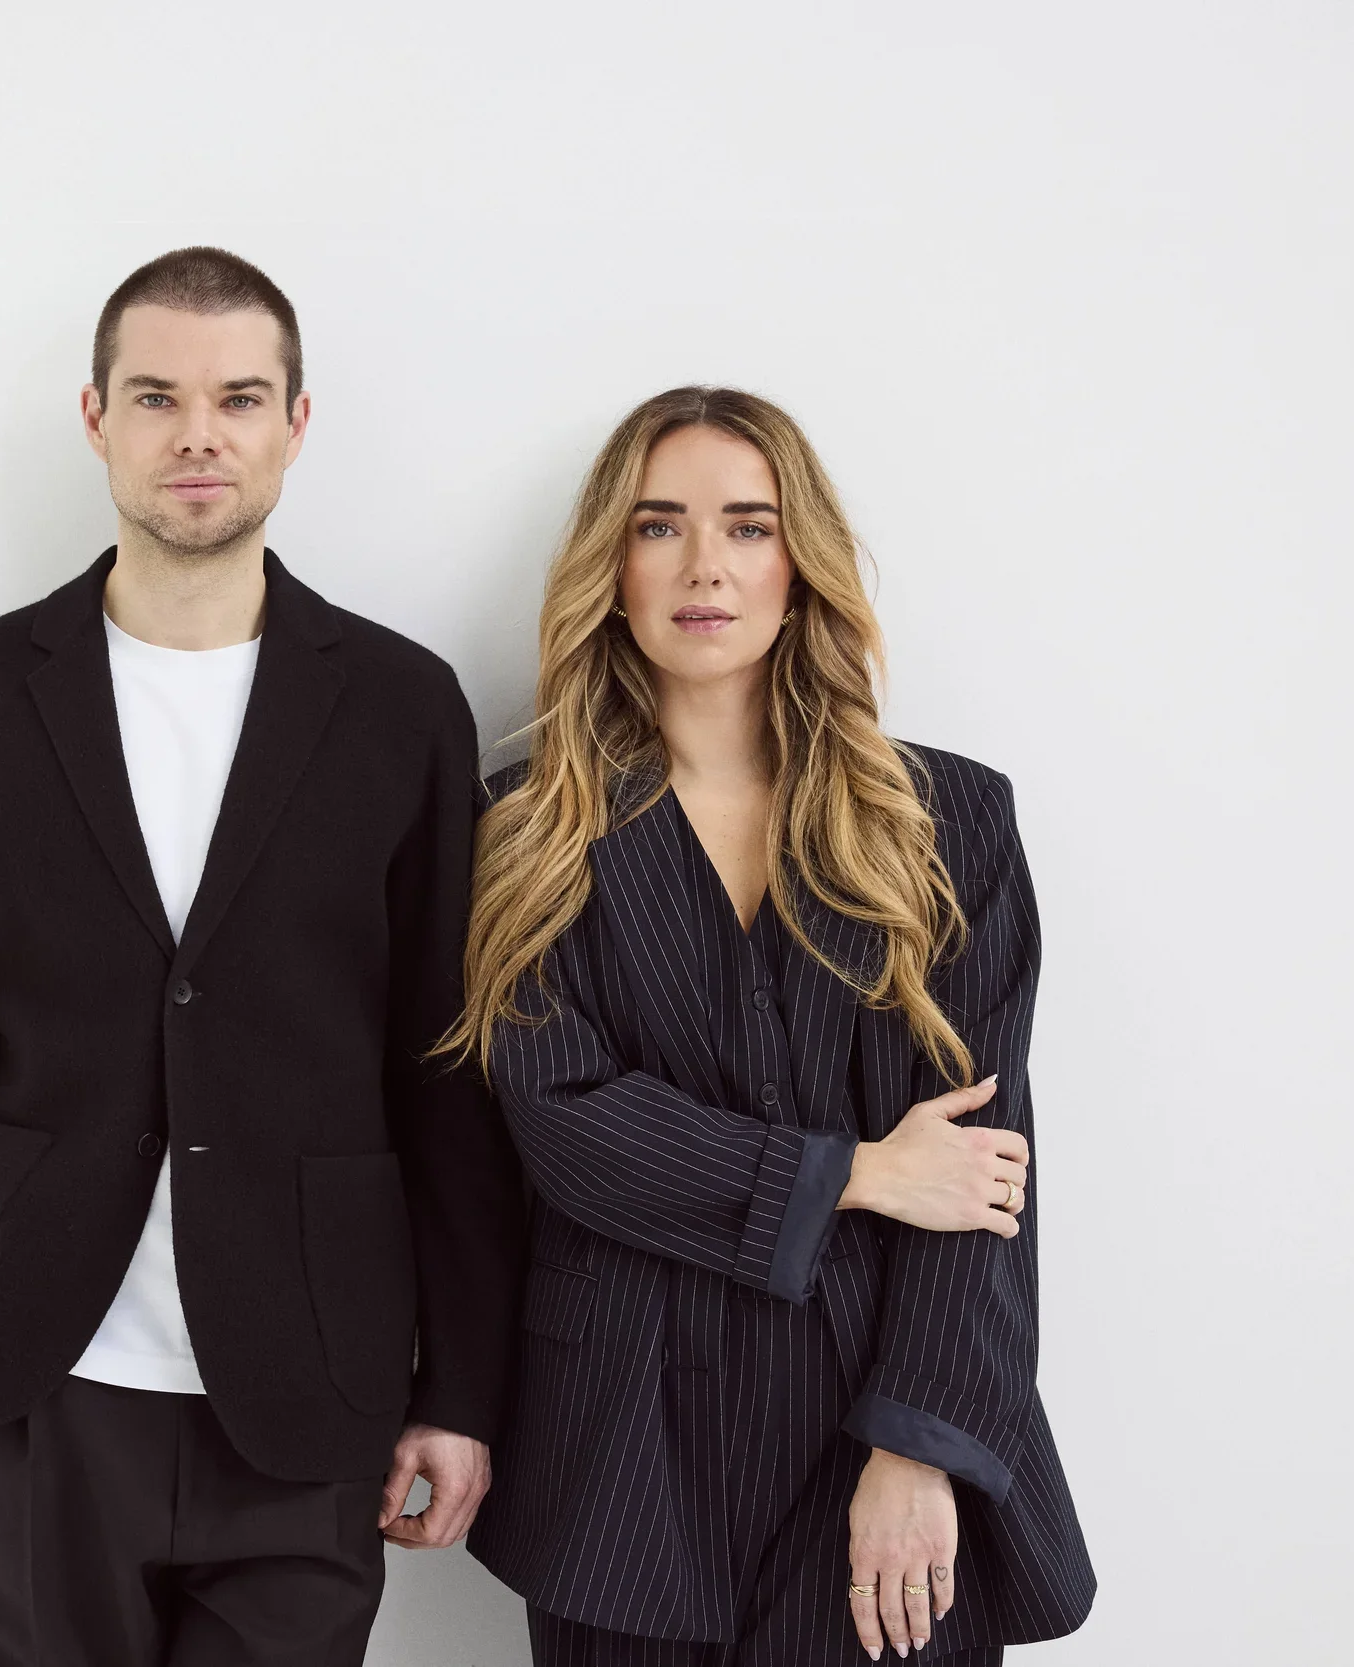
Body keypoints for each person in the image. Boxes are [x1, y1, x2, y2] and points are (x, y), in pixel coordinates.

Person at [0, 247, 524, 1667]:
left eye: (237, 397)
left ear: (294, 423)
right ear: (96, 418)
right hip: (44, 1371)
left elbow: (446, 1068)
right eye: (156, 396)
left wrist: (457, 1384)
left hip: (308, 1383)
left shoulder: (399, 706)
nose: (197, 433)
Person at [452, 388, 1095, 1664]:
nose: (705, 566)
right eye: (659, 526)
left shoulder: (946, 822)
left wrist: (916, 1442)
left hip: (875, 1438)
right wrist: (858, 1171)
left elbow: (982, 1173)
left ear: (799, 565)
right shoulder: (521, 828)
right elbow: (568, 1128)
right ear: (610, 567)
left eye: (748, 526)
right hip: (618, 1460)